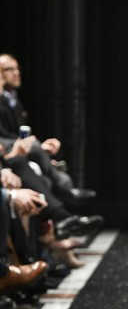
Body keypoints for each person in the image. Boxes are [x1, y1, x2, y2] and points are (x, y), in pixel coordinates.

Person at [0, 53, 96, 205]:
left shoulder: (13, 98)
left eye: (17, 69)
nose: (16, 73)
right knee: (34, 147)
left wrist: (40, 149)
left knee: (45, 178)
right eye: (9, 69)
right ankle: (65, 191)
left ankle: (61, 215)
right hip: (5, 150)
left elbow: (18, 132)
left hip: (15, 149)